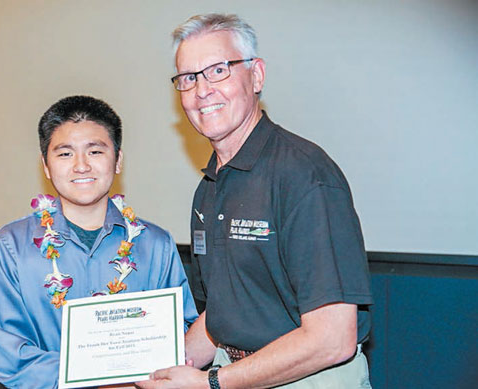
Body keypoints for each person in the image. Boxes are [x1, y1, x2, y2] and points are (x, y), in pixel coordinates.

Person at [139, 13, 373, 389]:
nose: (202, 90)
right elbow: (223, 315)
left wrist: (209, 383)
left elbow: (332, 338)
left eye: (218, 70)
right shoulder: (209, 188)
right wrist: (152, 371)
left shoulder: (304, 174)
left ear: (257, 75)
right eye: (188, 78)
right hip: (232, 370)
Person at [0, 95, 198, 388]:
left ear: (117, 160)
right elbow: (9, 356)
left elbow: (180, 332)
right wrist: (100, 379)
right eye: (65, 154)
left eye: (95, 151)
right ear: (45, 165)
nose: (81, 166)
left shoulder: (155, 245)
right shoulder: (11, 247)